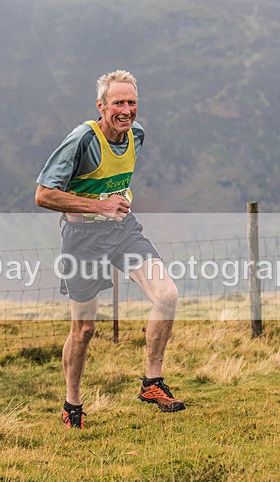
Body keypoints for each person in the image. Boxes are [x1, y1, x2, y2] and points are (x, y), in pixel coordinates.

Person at [35, 70, 184, 429]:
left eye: (131, 102)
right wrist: (99, 206)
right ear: (101, 106)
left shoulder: (137, 135)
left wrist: (113, 208)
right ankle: (73, 405)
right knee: (84, 329)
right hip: (83, 239)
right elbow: (43, 195)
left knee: (167, 296)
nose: (126, 110)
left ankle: (152, 382)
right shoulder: (81, 139)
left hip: (122, 232)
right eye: (118, 102)